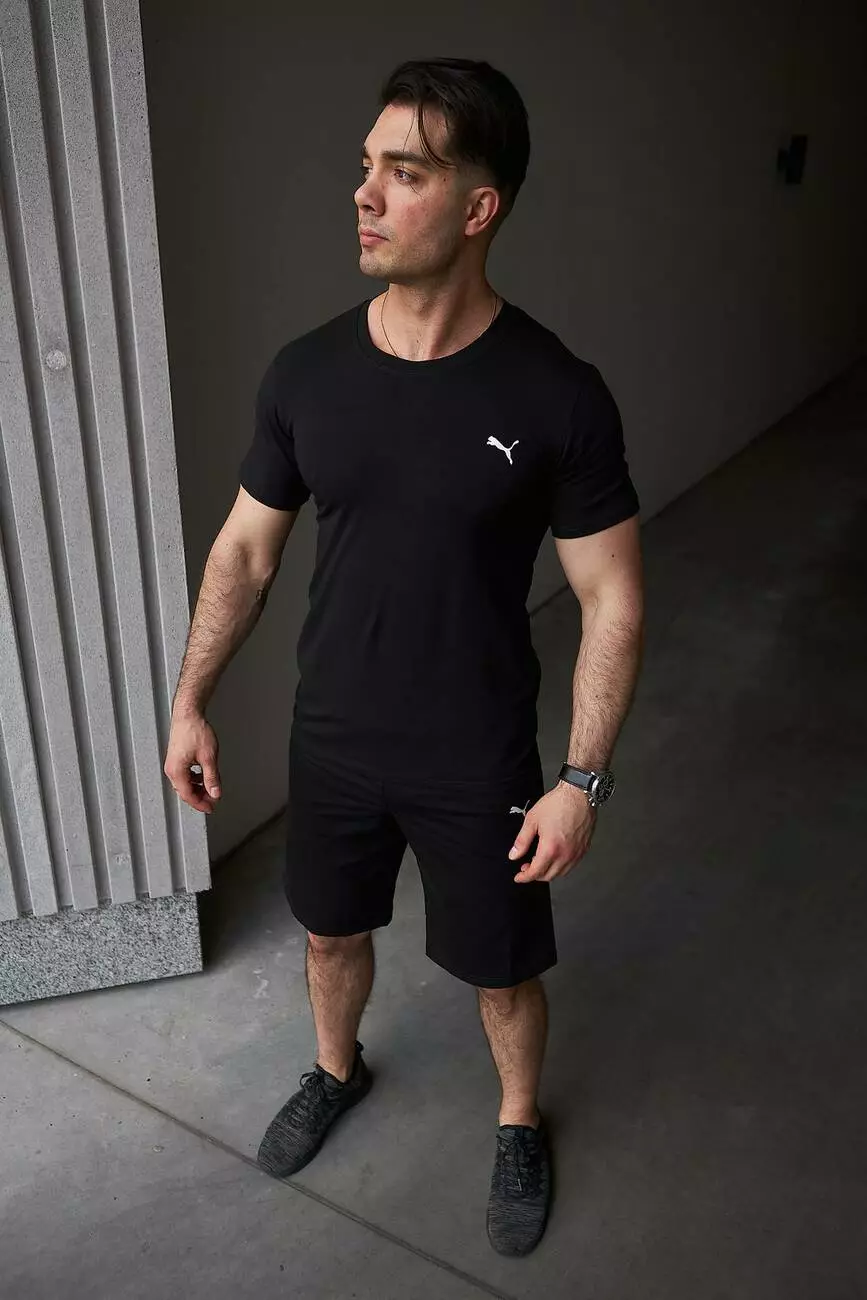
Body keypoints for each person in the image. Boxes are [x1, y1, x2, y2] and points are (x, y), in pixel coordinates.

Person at [164, 57, 644, 1258]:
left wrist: (582, 780)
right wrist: (190, 700)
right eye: (366, 166)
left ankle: (519, 1119)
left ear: (479, 208)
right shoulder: (308, 372)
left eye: (405, 173)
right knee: (329, 934)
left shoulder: (558, 395)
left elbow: (613, 597)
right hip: (332, 734)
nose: (366, 194)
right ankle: (337, 1068)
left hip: (477, 751)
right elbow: (244, 553)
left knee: (501, 970)